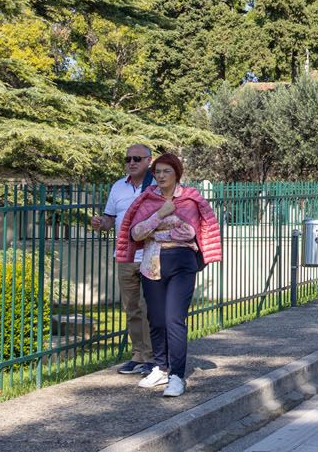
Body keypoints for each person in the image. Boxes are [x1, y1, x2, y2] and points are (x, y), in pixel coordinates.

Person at [117, 152, 222, 398]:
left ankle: (176, 375)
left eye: (167, 171)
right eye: (158, 172)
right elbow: (136, 233)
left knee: (174, 318)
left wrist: (155, 228)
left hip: (182, 262)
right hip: (152, 265)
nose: (161, 176)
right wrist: (161, 215)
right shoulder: (147, 200)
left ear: (177, 174)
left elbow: (187, 232)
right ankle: (160, 367)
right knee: (156, 319)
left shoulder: (190, 199)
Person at [92, 144, 156, 376]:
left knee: (149, 308)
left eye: (137, 158)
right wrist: (101, 224)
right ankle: (137, 355)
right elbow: (110, 219)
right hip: (125, 255)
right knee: (131, 308)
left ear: (149, 160)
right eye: (128, 158)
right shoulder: (118, 186)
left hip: (152, 254)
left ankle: (153, 357)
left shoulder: (157, 185)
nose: (132, 162)